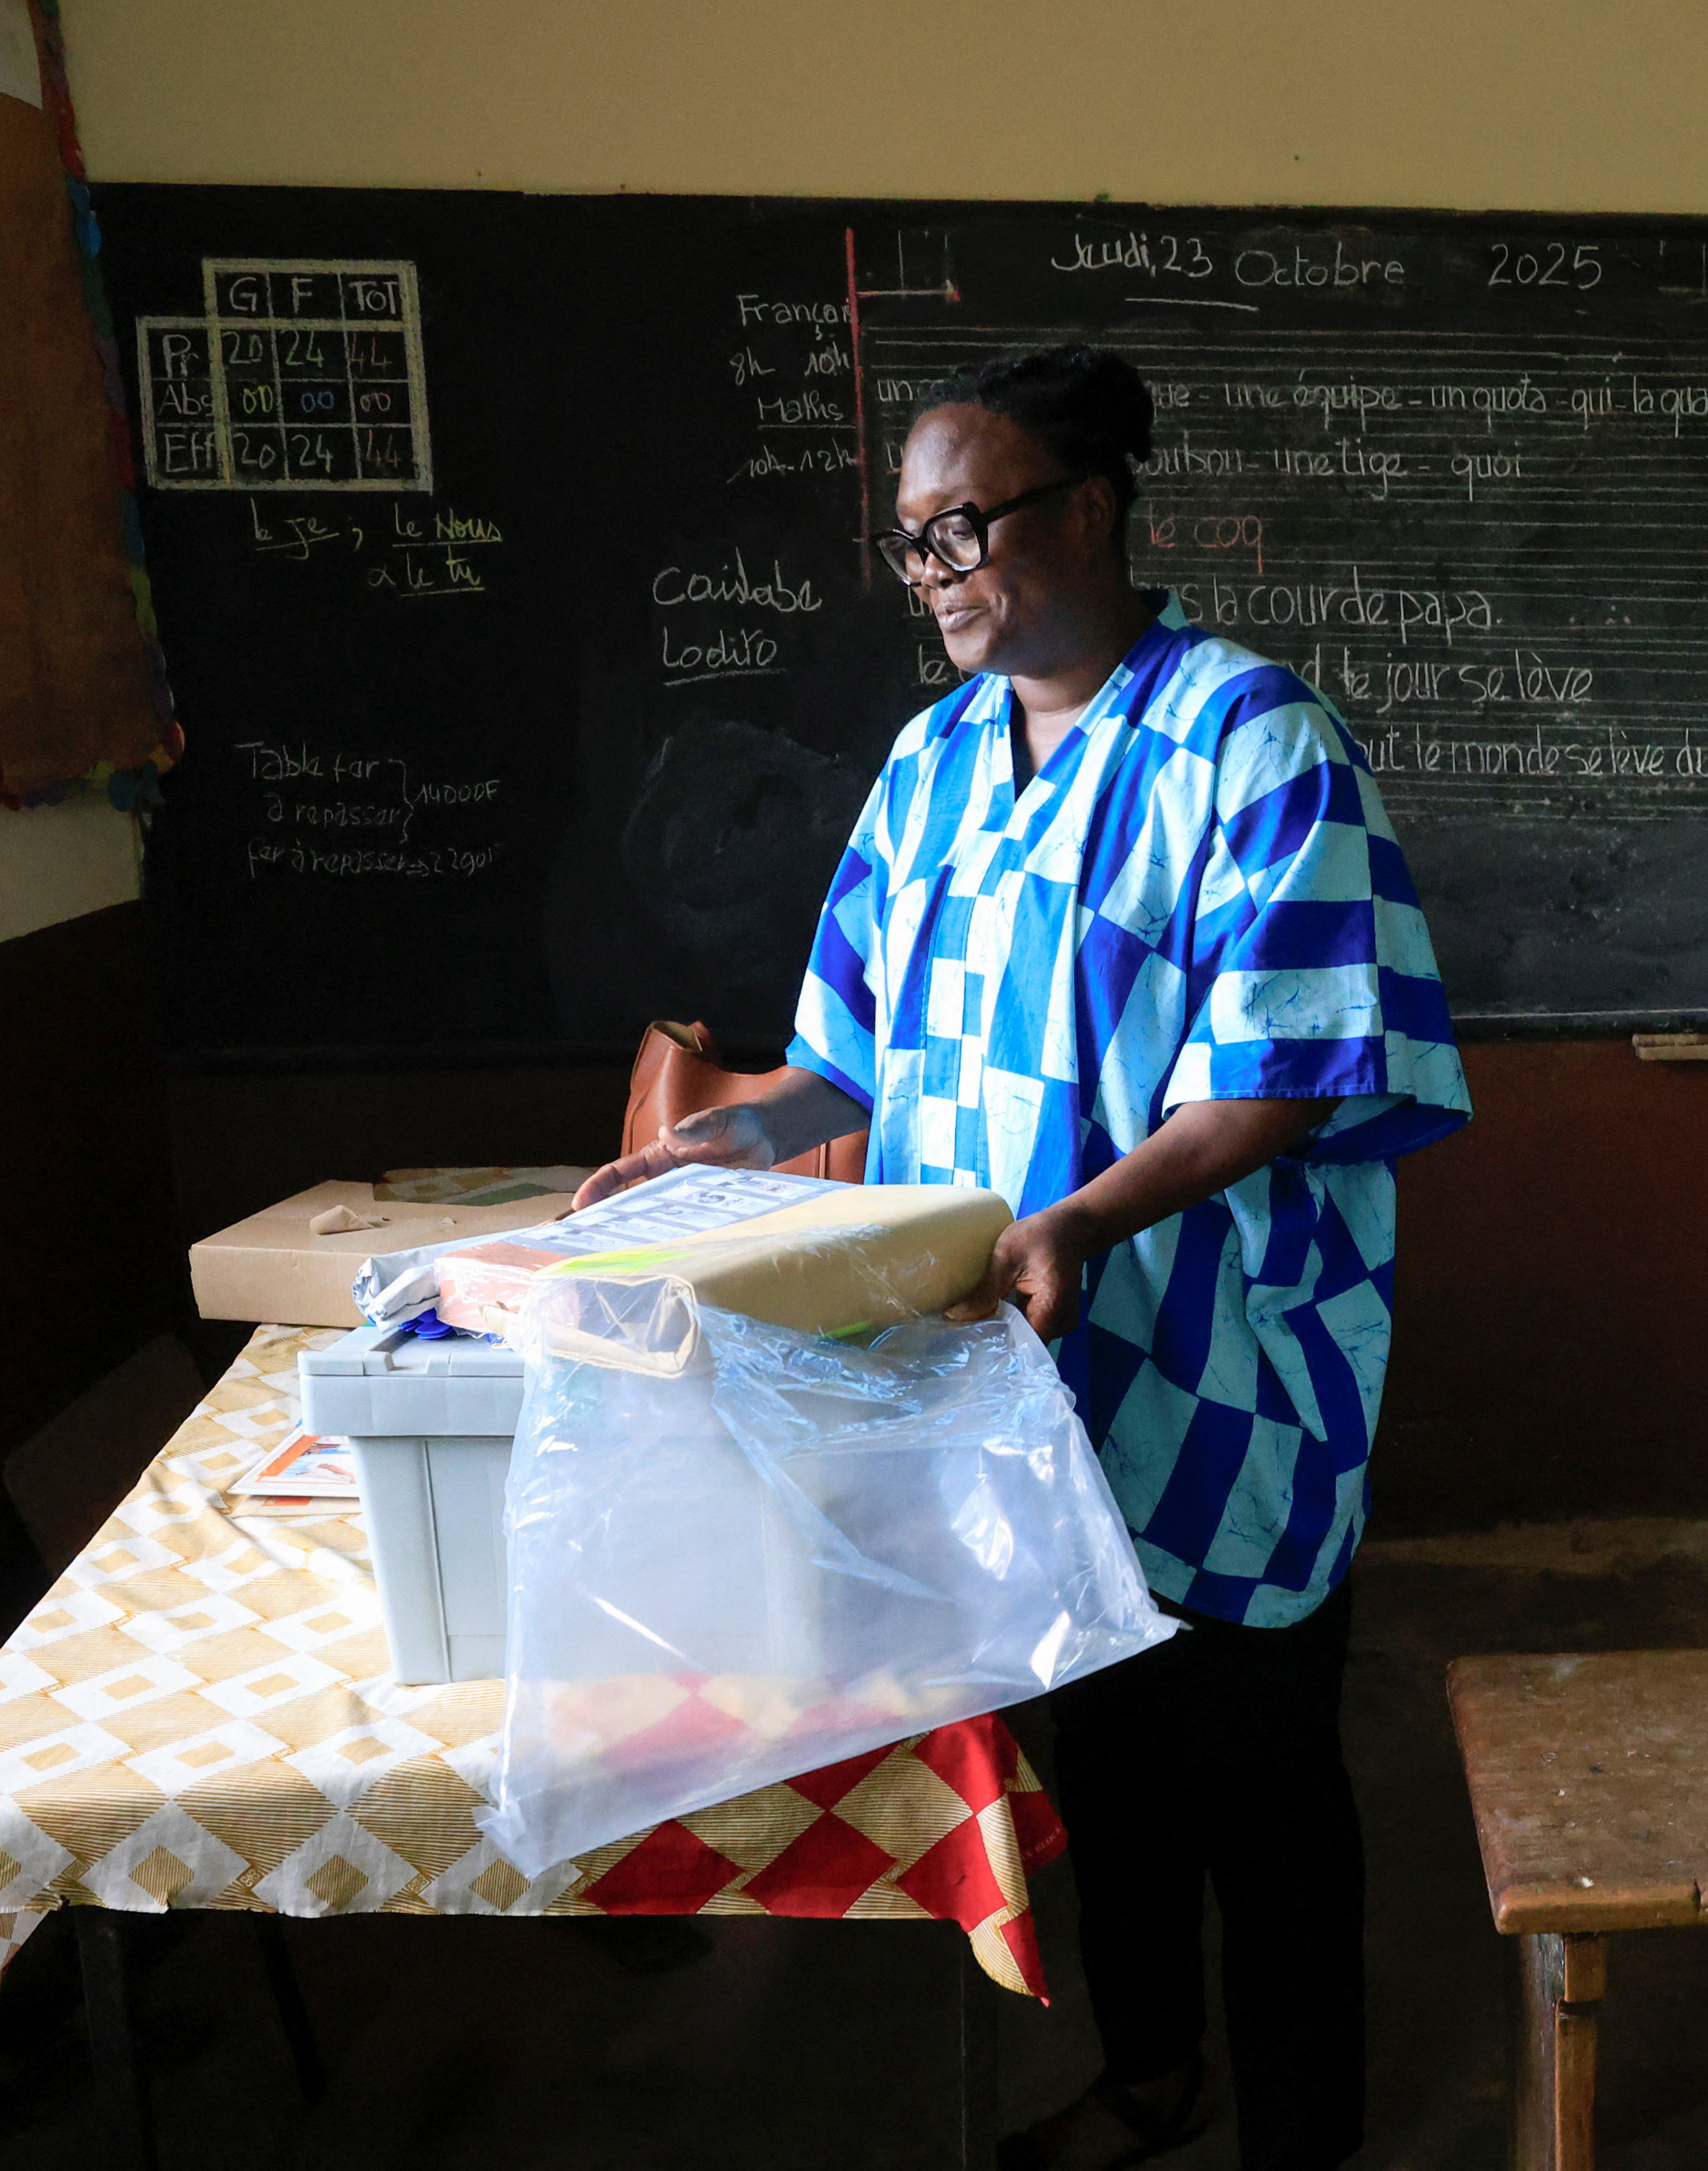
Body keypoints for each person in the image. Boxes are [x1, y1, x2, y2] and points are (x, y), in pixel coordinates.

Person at [570, 342, 1472, 2171]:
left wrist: (1083, 1217)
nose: (935, 571)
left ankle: (1304, 2133)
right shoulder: (932, 763)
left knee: (1262, 1778)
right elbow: (848, 1050)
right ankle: (1152, 2075)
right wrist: (721, 1139)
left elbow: (1292, 1066)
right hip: (1008, 1367)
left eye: (965, 525)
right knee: (1105, 1751)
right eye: (912, 540)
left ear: (1092, 509)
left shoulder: (1253, 740)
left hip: (1217, 1365)